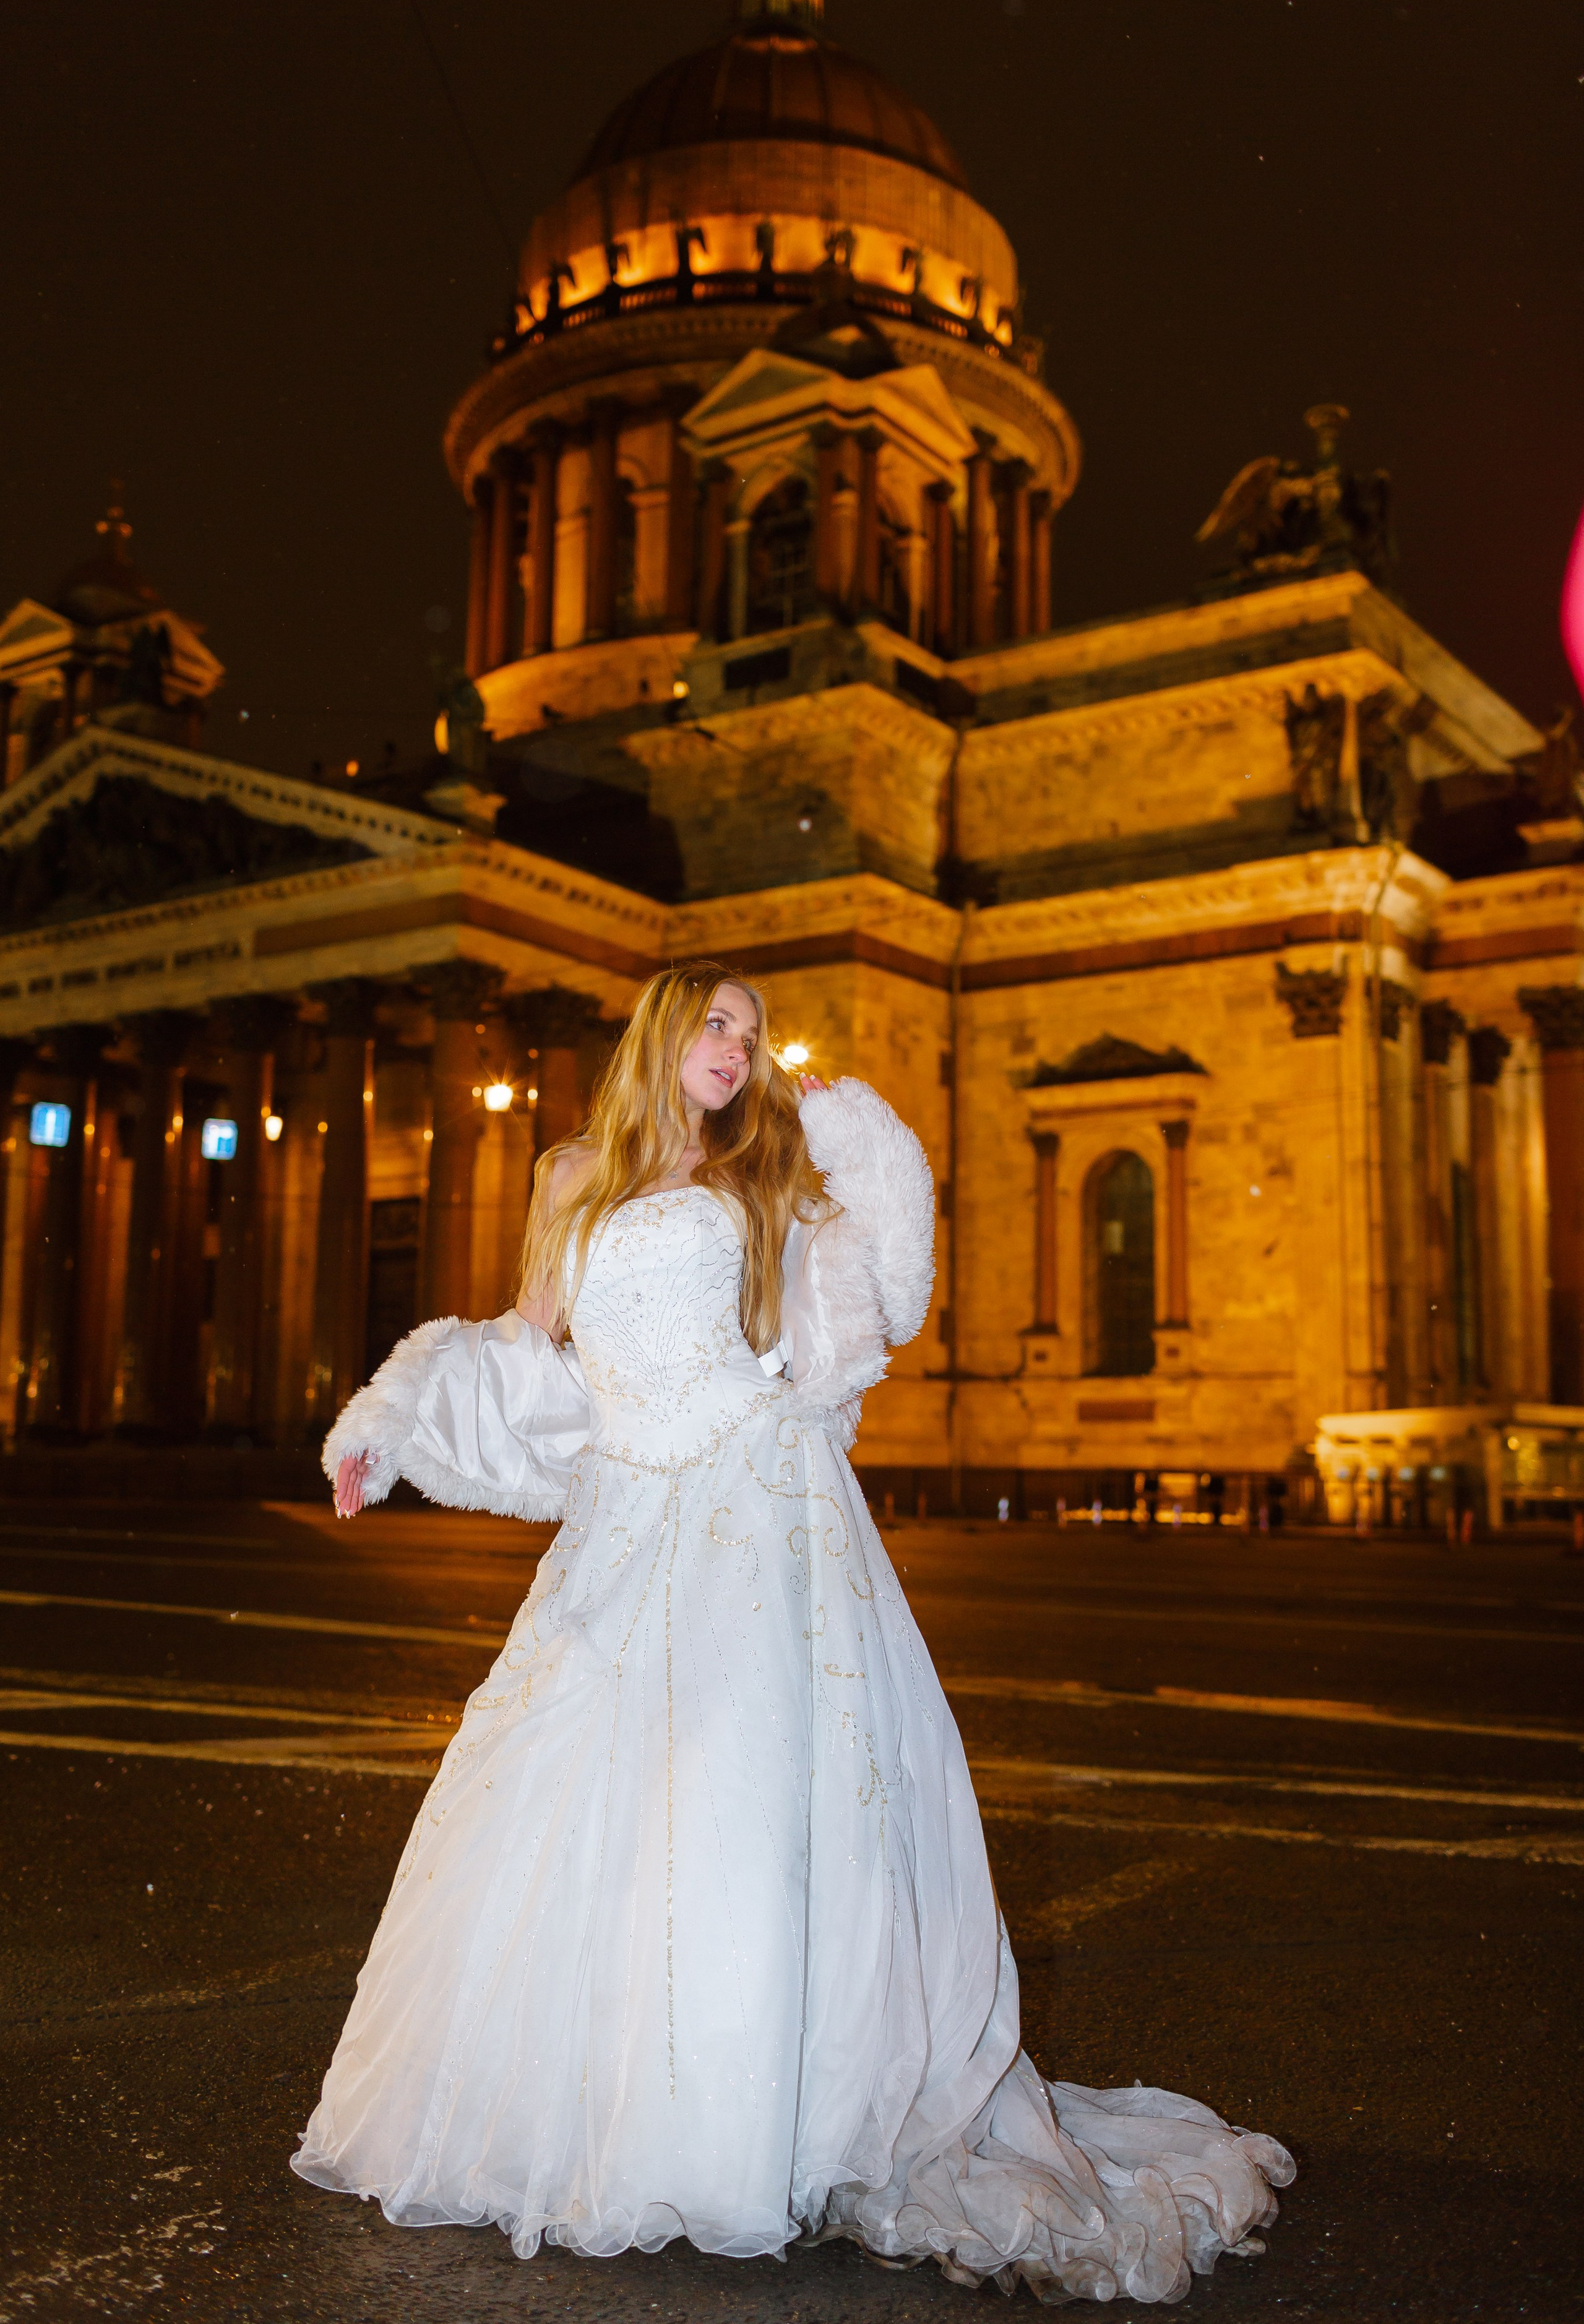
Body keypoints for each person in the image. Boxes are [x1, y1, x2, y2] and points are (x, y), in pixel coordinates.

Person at [294, 962, 1293, 2302]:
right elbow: (528, 1344)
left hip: (755, 1504)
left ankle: (753, 2117)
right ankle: (607, 2112)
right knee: (585, 1802)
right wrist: (391, 1420)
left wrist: (865, 1139)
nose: (735, 1048)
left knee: (743, 1812)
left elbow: (874, 1301)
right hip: (624, 1516)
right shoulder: (568, 1172)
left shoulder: (765, 1171)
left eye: (750, 1033)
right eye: (714, 1022)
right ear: (661, 1032)